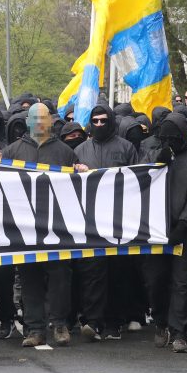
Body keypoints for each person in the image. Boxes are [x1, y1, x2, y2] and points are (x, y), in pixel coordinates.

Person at [3, 103, 80, 348]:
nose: (38, 122)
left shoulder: (65, 152)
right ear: (27, 121)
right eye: (34, 118)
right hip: (25, 229)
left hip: (57, 227)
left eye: (43, 118)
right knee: (29, 279)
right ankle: (35, 328)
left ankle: (59, 324)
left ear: (50, 121)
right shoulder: (12, 151)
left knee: (60, 277)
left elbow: (79, 188)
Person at [143, 112, 187, 353]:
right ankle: (161, 323)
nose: (171, 142)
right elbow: (140, 185)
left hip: (185, 231)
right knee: (156, 281)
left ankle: (179, 331)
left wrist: (183, 224)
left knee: (182, 282)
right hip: (156, 231)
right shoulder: (153, 154)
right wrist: (157, 163)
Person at [73, 104, 140, 340]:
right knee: (92, 272)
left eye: (103, 120)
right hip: (89, 221)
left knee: (117, 273)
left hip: (118, 221)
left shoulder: (126, 148)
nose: (99, 124)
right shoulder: (80, 150)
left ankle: (114, 322)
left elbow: (137, 181)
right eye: (95, 121)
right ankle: (93, 320)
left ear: (111, 121)